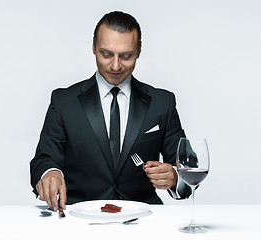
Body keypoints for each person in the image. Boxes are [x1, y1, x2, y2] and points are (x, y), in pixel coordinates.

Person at [30, 11, 191, 211]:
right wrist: (49, 173)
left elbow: (188, 167)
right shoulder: (64, 101)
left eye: (126, 56)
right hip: (79, 217)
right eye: (106, 54)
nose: (115, 65)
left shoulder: (162, 102)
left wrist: (176, 177)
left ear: (139, 51)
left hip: (144, 219)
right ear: (93, 48)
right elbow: (43, 159)